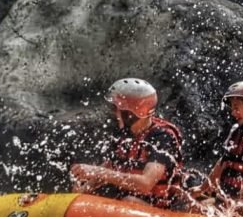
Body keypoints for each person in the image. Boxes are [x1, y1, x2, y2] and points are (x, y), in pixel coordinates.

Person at [70, 78, 184, 207]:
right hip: (130, 202)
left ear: (131, 114)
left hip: (161, 211)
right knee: (105, 196)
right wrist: (84, 190)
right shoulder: (125, 132)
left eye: (115, 108)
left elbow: (145, 184)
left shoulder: (162, 137)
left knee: (129, 202)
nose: (113, 112)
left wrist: (97, 171)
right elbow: (110, 166)